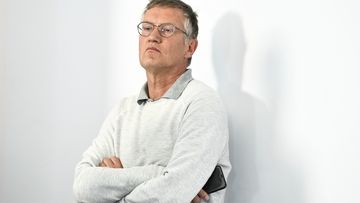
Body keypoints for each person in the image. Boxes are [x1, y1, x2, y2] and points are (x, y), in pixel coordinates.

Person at [73, 0, 231, 202]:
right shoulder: (123, 109)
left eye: (166, 30)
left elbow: (171, 192)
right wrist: (160, 174)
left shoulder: (202, 103)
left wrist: (114, 183)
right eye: (147, 28)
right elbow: (82, 186)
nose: (153, 37)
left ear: (190, 47)